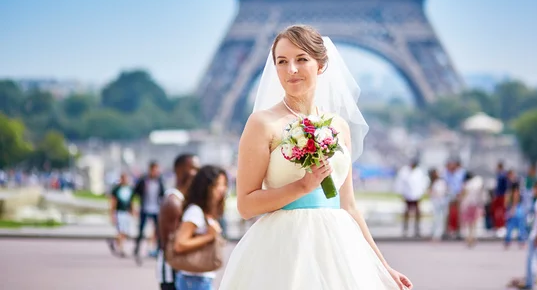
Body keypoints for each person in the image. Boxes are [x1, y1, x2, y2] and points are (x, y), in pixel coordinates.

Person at [218, 25, 413, 290]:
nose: (292, 70)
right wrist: (301, 186)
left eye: (301, 59)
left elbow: (349, 206)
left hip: (340, 248)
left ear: (321, 65)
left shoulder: (339, 126)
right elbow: (245, 205)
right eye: (282, 62)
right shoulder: (262, 123)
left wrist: (383, 267)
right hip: (284, 249)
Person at [174, 165, 228, 290]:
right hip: (193, 279)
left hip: (199, 278)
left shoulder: (206, 212)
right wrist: (209, 236)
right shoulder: (195, 212)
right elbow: (180, 244)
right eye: (218, 185)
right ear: (206, 187)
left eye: (224, 184)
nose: (222, 189)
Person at [156, 153, 201, 290]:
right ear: (179, 170)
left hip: (183, 269)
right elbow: (171, 244)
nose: (197, 173)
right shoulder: (173, 202)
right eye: (193, 168)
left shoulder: (184, 199)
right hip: (173, 271)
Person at [133, 161, 166, 265]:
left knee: (158, 231)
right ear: (150, 169)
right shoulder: (143, 180)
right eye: (154, 170)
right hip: (145, 208)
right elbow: (135, 193)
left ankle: (159, 251)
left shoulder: (159, 181)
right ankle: (137, 249)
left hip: (156, 209)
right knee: (141, 230)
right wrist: (133, 206)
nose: (156, 172)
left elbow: (163, 195)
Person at [108, 172, 133, 257]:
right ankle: (121, 248)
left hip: (126, 212)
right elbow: (113, 202)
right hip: (119, 212)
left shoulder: (129, 189)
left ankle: (114, 241)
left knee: (125, 232)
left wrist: (132, 210)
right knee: (121, 231)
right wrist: (112, 214)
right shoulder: (116, 189)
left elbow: (131, 201)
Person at [504, 182, 527, 249]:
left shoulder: (509, 194)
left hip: (512, 210)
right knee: (521, 228)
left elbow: (506, 204)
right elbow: (515, 202)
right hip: (518, 211)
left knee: (510, 227)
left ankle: (507, 241)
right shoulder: (517, 193)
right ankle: (522, 242)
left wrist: (511, 209)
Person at [428, 168, 448, 242]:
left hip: (442, 202)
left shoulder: (442, 181)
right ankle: (434, 234)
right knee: (436, 218)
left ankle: (439, 234)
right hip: (436, 202)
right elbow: (430, 192)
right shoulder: (433, 182)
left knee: (442, 218)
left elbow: (445, 191)